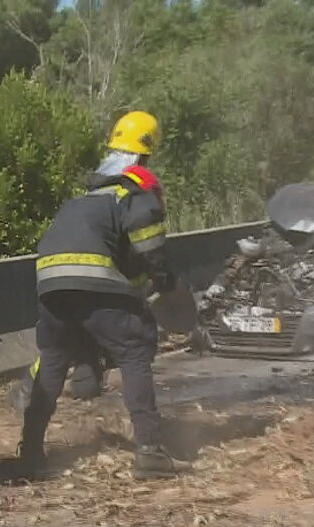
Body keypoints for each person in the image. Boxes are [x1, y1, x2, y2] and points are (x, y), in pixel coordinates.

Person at [19, 110, 191, 480]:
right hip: (92, 278)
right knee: (134, 348)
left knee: (52, 360)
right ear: (146, 153)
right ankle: (149, 452)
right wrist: (167, 285)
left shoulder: (83, 199)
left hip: (49, 283)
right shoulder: (134, 192)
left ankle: (30, 451)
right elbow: (151, 251)